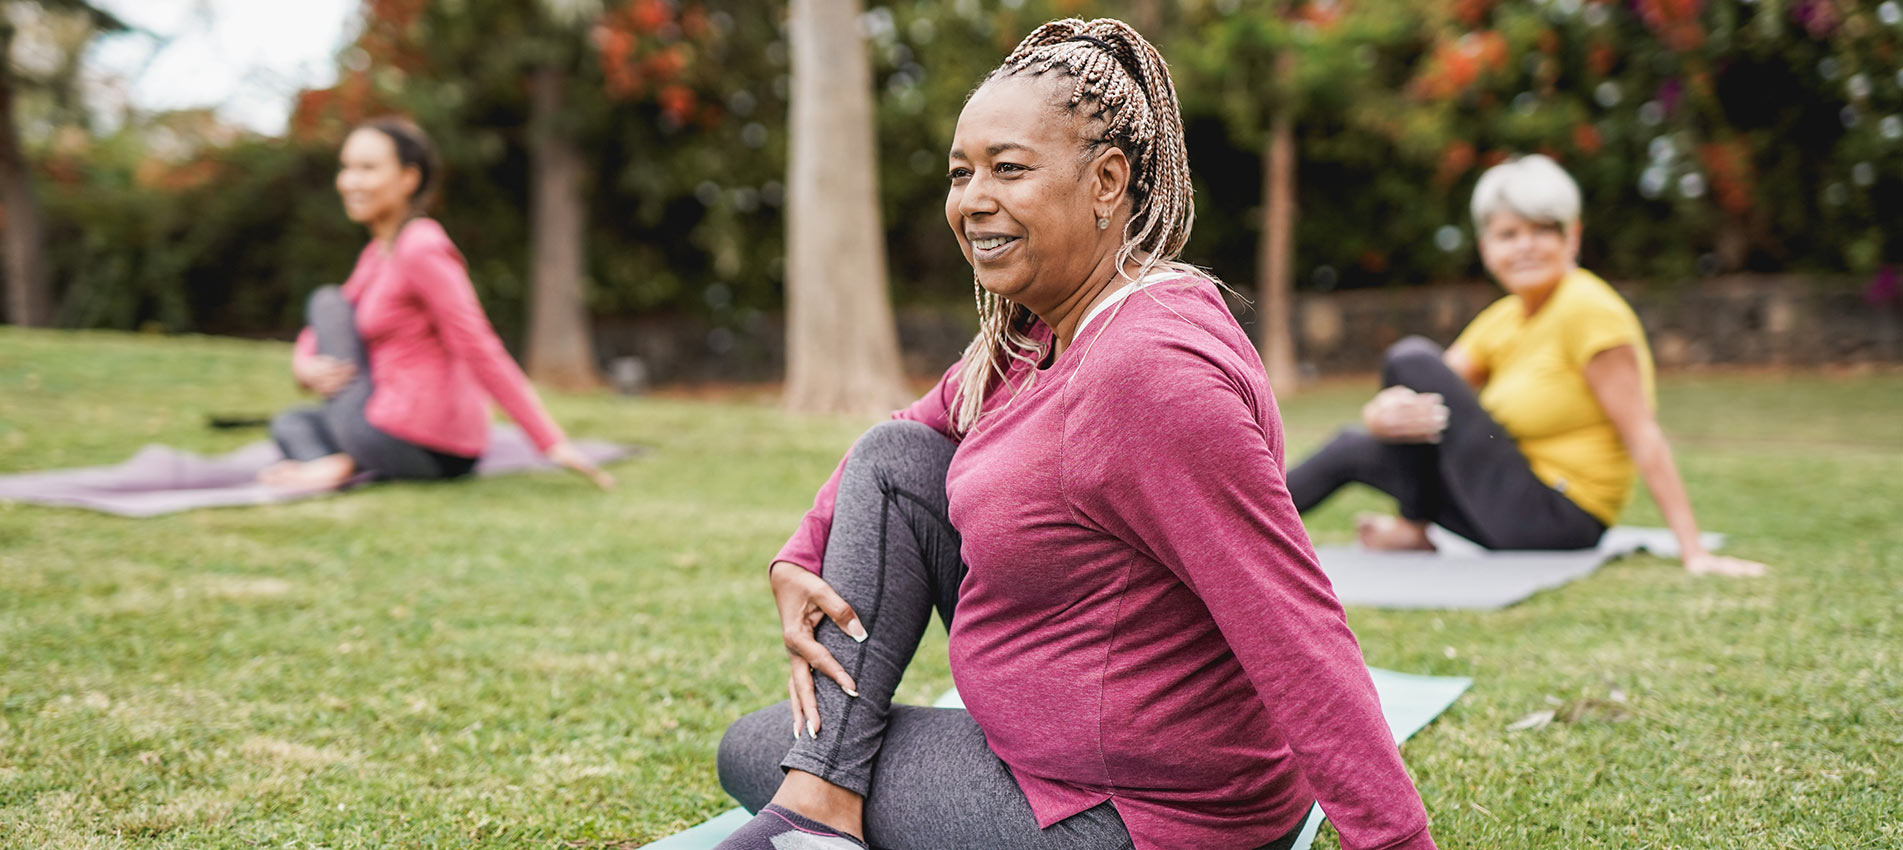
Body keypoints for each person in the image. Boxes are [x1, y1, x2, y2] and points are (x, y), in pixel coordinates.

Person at [711, 19, 1436, 850]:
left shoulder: (1148, 374)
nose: (972, 199)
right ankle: (819, 810)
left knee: (760, 749)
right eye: (960, 173)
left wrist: (1395, 843)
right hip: (1056, 761)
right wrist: (799, 554)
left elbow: (1293, 625)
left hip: (1138, 817)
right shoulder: (1039, 333)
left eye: (1008, 168)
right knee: (895, 464)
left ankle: (813, 813)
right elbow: (910, 433)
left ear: (1106, 181)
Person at [1285, 154, 1763, 577]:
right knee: (1353, 444)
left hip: (1558, 515)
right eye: (1509, 234)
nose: (1525, 247)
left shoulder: (1588, 309)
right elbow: (1429, 390)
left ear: (1572, 236)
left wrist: (1693, 551)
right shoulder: (1506, 317)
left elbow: (1642, 431)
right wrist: (1380, 415)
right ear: (1487, 247)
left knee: (1409, 355)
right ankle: (1227, 543)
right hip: (1501, 504)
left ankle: (1412, 526)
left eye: (1542, 230)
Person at [260, 117, 611, 491]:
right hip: (404, 436)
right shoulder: (378, 254)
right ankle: (340, 462)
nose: (350, 181)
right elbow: (327, 325)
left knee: (326, 299)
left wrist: (550, 441)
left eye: (367, 168)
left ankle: (339, 462)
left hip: (415, 438)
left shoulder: (421, 246)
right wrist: (304, 366)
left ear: (409, 178)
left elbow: (478, 344)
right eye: (346, 168)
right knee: (291, 422)